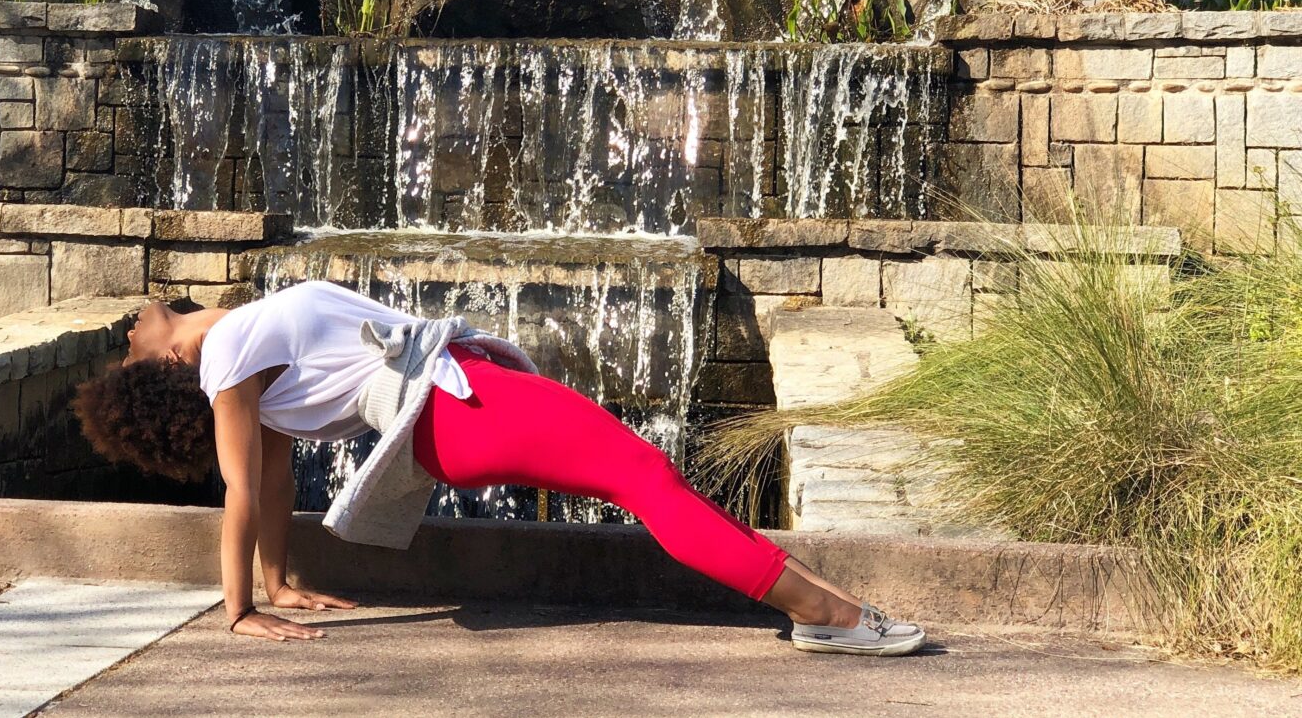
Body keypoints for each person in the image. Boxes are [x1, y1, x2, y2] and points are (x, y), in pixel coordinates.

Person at [73, 279, 925, 656]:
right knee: (644, 479)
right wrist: (240, 610)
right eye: (127, 349)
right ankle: (825, 613)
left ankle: (819, 603)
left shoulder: (242, 339)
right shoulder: (221, 359)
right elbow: (244, 488)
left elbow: (276, 467)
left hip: (460, 401)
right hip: (452, 408)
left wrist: (281, 575)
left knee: (646, 475)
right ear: (163, 367)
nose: (127, 328)